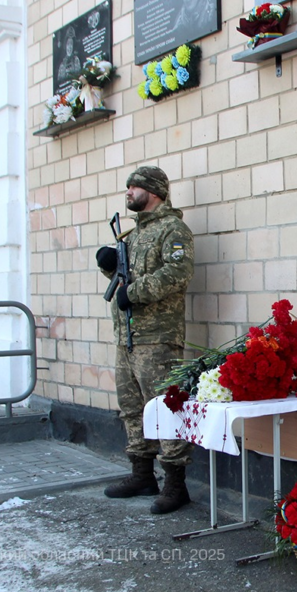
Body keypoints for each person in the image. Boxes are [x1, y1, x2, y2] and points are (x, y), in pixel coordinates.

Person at [96, 165, 196, 514]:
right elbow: (126, 278)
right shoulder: (133, 235)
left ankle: (175, 484)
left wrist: (134, 293)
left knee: (167, 410)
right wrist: (110, 266)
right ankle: (142, 474)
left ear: (152, 190)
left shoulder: (174, 229)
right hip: (127, 337)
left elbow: (177, 273)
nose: (127, 192)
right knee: (132, 409)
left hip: (158, 337)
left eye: (133, 187)